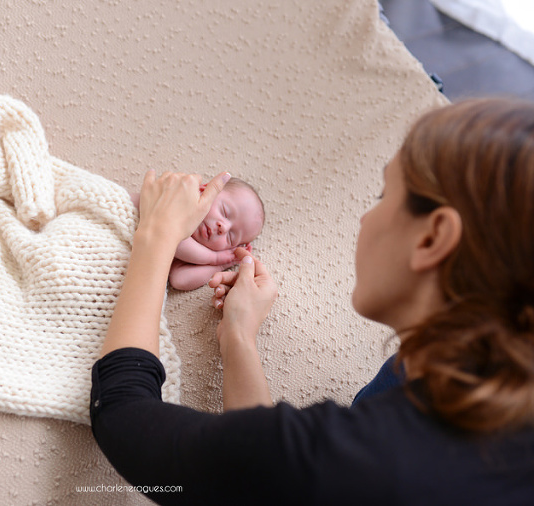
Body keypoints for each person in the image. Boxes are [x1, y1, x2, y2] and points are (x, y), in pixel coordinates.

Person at [90, 98, 534, 505]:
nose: (365, 216)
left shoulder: (363, 462)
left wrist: (157, 236)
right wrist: (239, 337)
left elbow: (124, 416)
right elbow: (263, 482)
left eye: (384, 197)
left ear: (433, 237)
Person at [131, 177, 265, 290]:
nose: (223, 228)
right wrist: (215, 258)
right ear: (205, 191)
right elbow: (170, 237)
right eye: (225, 212)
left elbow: (179, 280)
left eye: (231, 237)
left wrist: (221, 265)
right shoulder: (176, 203)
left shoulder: (194, 256)